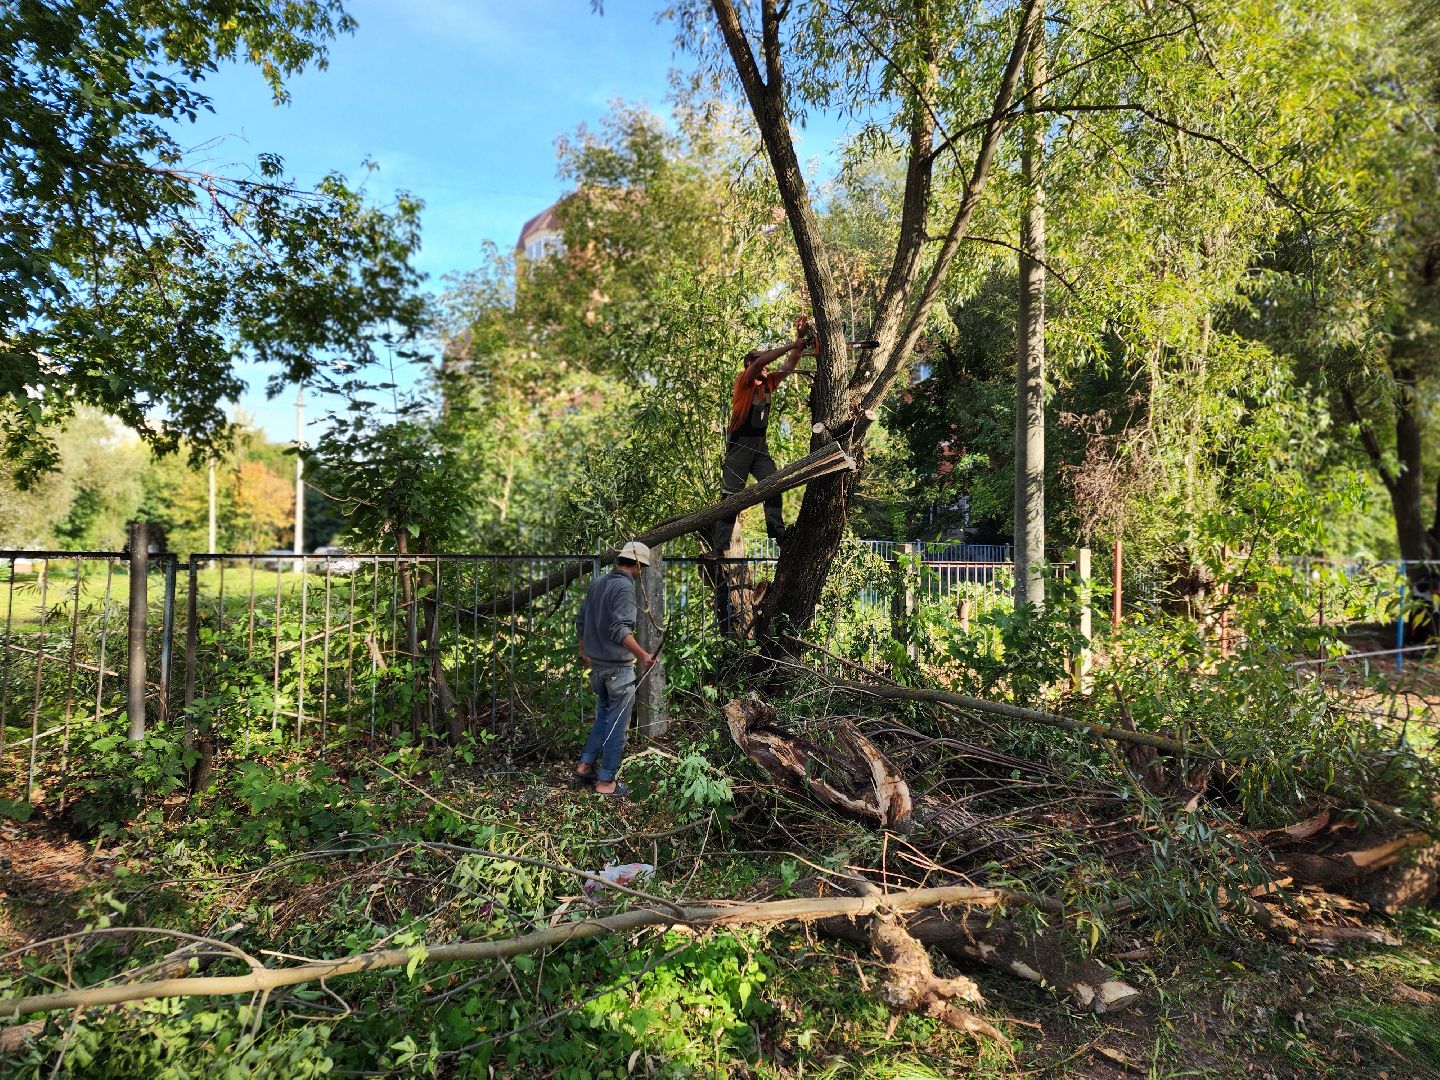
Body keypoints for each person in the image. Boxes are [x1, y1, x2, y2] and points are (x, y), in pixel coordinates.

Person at [709, 316, 818, 555]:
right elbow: (766, 361)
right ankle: (719, 548)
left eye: (764, 362)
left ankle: (778, 533)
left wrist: (799, 343)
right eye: (759, 361)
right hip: (740, 445)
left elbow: (787, 366)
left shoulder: (769, 382)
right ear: (749, 364)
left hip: (760, 446)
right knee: (731, 497)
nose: (765, 365)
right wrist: (790, 344)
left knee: (773, 484)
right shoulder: (744, 381)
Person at [573, 540, 656, 797]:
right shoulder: (624, 587)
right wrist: (643, 654)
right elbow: (620, 630)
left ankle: (585, 765)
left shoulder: (598, 583)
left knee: (604, 718)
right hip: (618, 671)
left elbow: (580, 621)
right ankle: (606, 782)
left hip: (597, 669)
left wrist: (583, 650)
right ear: (639, 564)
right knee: (618, 725)